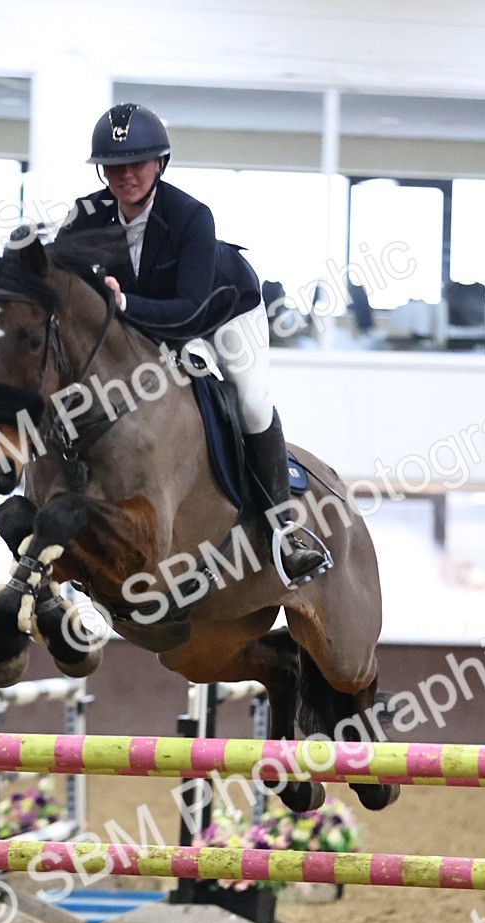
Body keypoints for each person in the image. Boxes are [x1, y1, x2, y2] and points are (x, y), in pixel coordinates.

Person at [65, 102, 330, 587]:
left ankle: (283, 531)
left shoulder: (191, 216)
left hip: (220, 313)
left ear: (159, 165)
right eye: (115, 166)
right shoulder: (86, 217)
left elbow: (186, 308)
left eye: (137, 164)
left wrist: (122, 306)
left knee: (250, 402)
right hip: (138, 323)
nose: (125, 176)